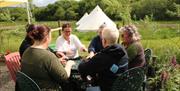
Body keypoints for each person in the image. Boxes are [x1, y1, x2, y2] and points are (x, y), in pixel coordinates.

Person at [20, 24, 75, 90]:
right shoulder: (48, 56)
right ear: (47, 38)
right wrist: (69, 63)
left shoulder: (27, 51)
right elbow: (64, 77)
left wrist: (56, 61)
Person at [78, 27, 128, 91]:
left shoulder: (103, 57)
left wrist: (88, 59)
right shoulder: (123, 51)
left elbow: (82, 68)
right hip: (121, 86)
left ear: (104, 40)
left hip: (106, 88)